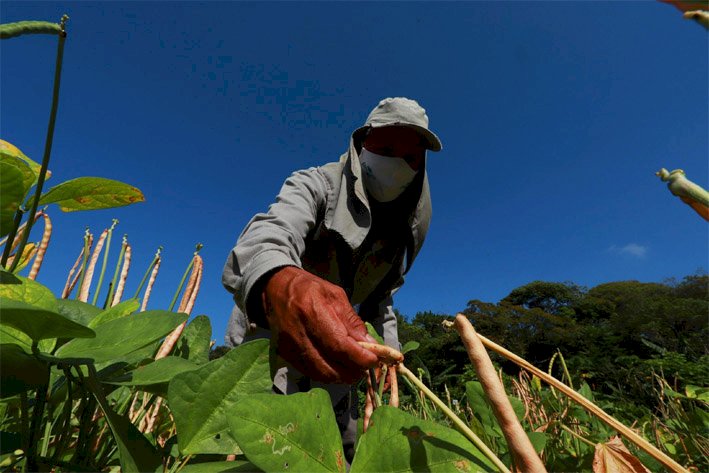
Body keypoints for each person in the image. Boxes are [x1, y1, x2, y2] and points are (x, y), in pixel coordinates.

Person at [222, 97, 442, 461]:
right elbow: (268, 235)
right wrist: (285, 283)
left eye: (410, 158)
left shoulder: (399, 228)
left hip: (338, 354)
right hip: (268, 337)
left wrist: (389, 361)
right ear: (361, 146)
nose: (396, 164)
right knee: (246, 449)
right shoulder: (316, 184)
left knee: (344, 452)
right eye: (385, 149)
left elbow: (381, 300)